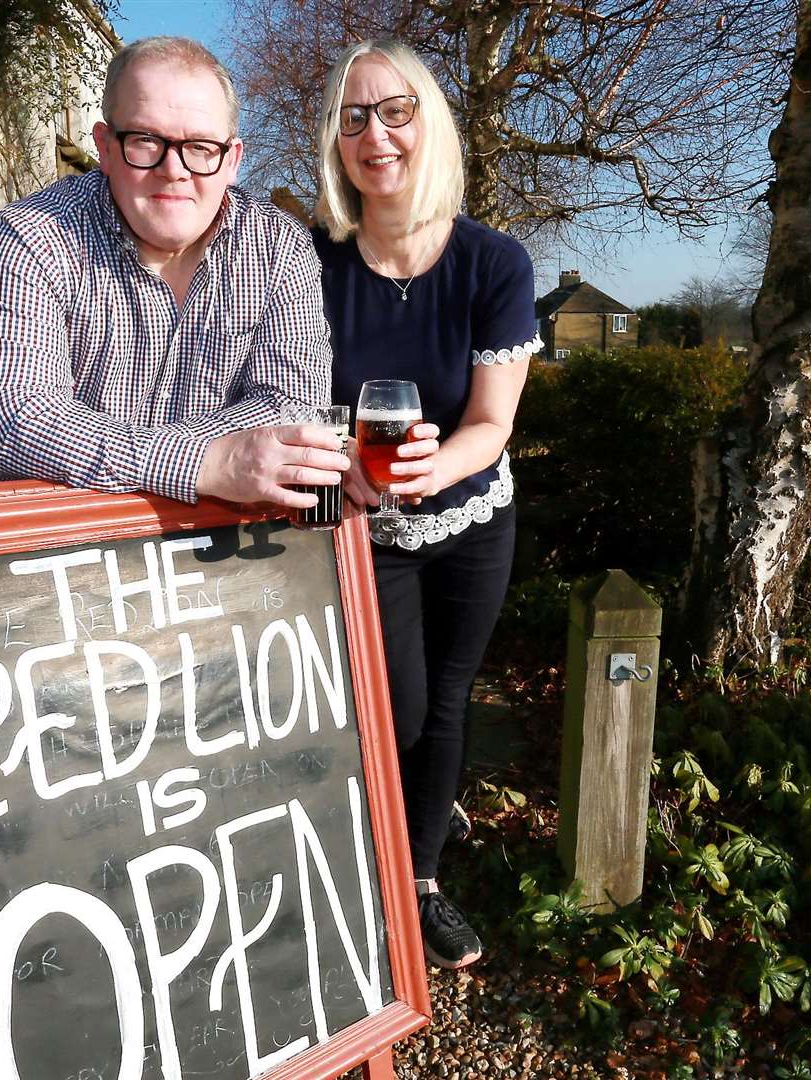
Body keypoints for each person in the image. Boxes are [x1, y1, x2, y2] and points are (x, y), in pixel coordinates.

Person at [312, 40, 540, 969]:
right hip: (366, 525)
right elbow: (282, 394)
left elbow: (490, 425)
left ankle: (420, 882)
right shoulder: (311, 265)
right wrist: (340, 463)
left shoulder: (494, 263)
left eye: (396, 111)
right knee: (390, 706)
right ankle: (356, 861)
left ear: (429, 124)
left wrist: (428, 472)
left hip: (472, 518)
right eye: (354, 116)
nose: (376, 134)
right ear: (336, 142)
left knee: (446, 704)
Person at [0, 37, 347, 508]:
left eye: (201, 146)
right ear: (106, 148)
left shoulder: (279, 246)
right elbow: (20, 418)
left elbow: (294, 408)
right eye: (146, 140)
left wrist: (111, 448)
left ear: (231, 161)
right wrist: (206, 465)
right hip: (58, 553)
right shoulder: (34, 235)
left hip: (219, 558)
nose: (175, 170)